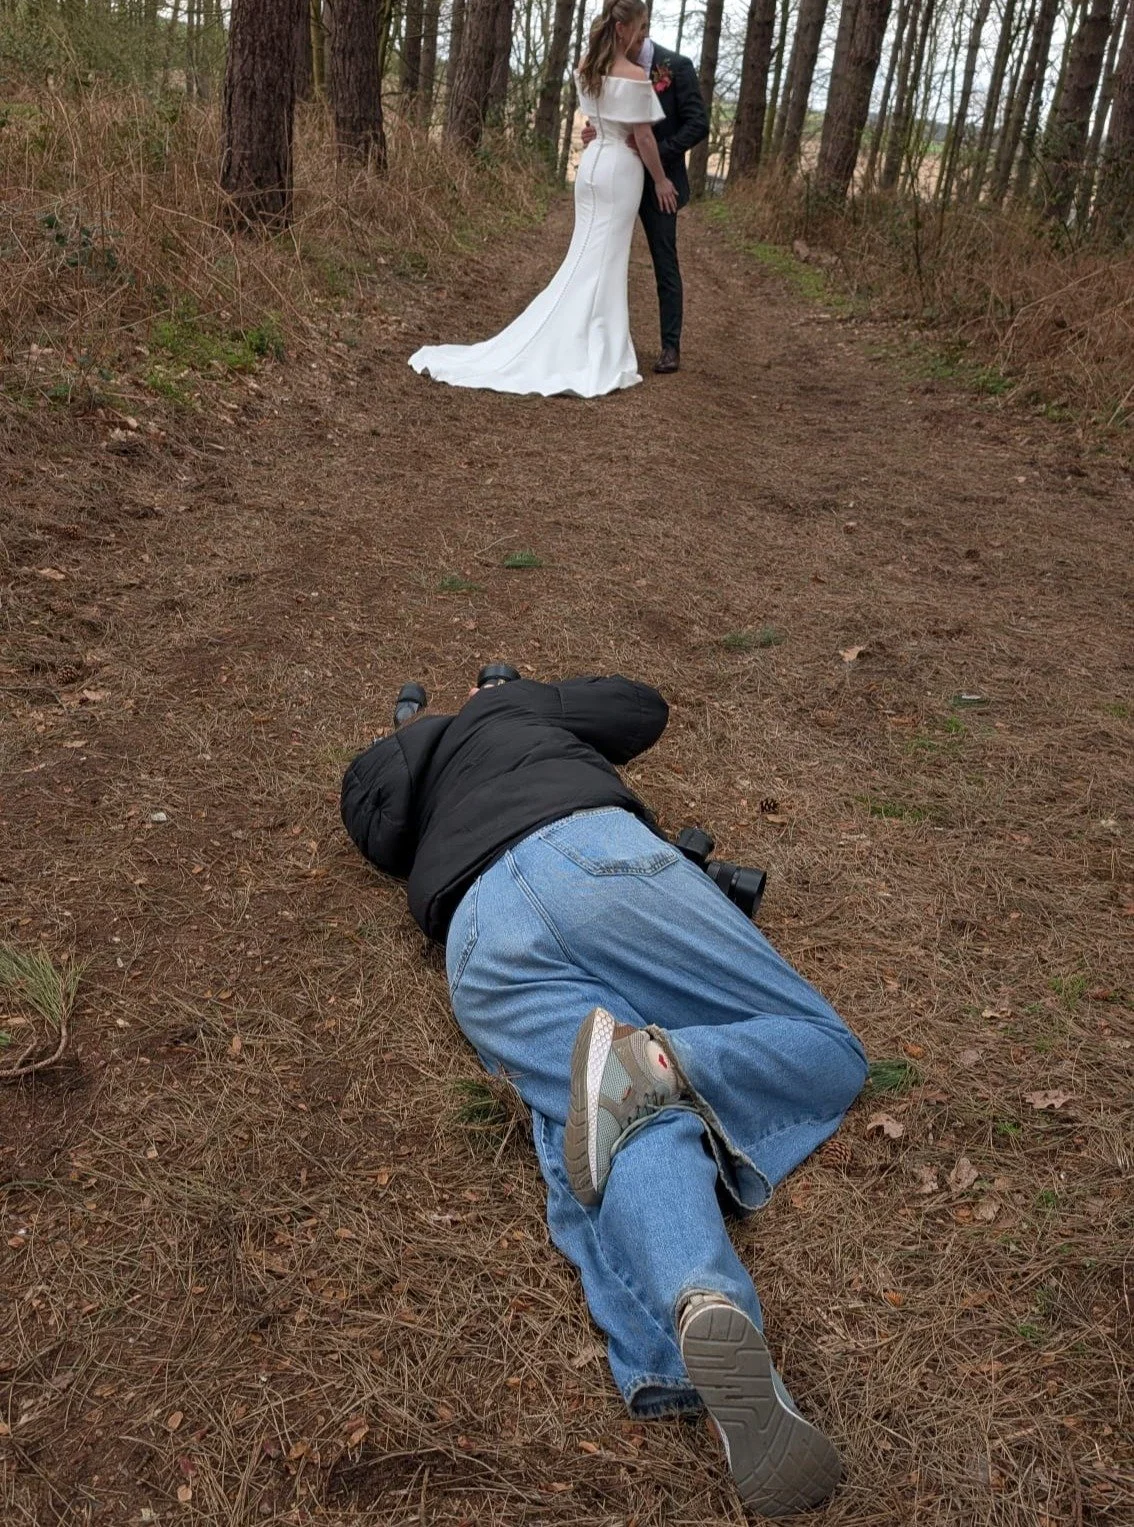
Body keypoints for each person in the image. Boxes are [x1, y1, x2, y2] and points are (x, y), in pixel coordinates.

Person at [340, 672, 868, 1518]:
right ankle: (669, 1057)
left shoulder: (391, 776)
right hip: (595, 856)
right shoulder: (508, 708)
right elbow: (641, 710)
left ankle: (698, 1306)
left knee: (609, 1111)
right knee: (827, 1048)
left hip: (476, 932)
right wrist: (526, 695)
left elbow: (375, 826)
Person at [408, 0, 680, 398]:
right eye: (640, 28)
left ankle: (582, 333)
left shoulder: (589, 65)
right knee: (603, 257)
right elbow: (642, 136)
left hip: (589, 169)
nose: (643, 36)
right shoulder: (633, 74)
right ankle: (591, 345)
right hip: (619, 169)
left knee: (587, 253)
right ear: (624, 29)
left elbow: (597, 120)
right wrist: (660, 180)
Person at [580, 28, 708, 373]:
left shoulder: (677, 66)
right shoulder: (610, 63)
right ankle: (594, 338)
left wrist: (660, 157)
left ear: (642, 30)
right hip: (615, 176)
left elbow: (699, 124)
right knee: (601, 256)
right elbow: (605, 113)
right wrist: (595, 131)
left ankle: (670, 347)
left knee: (664, 260)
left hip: (658, 183)